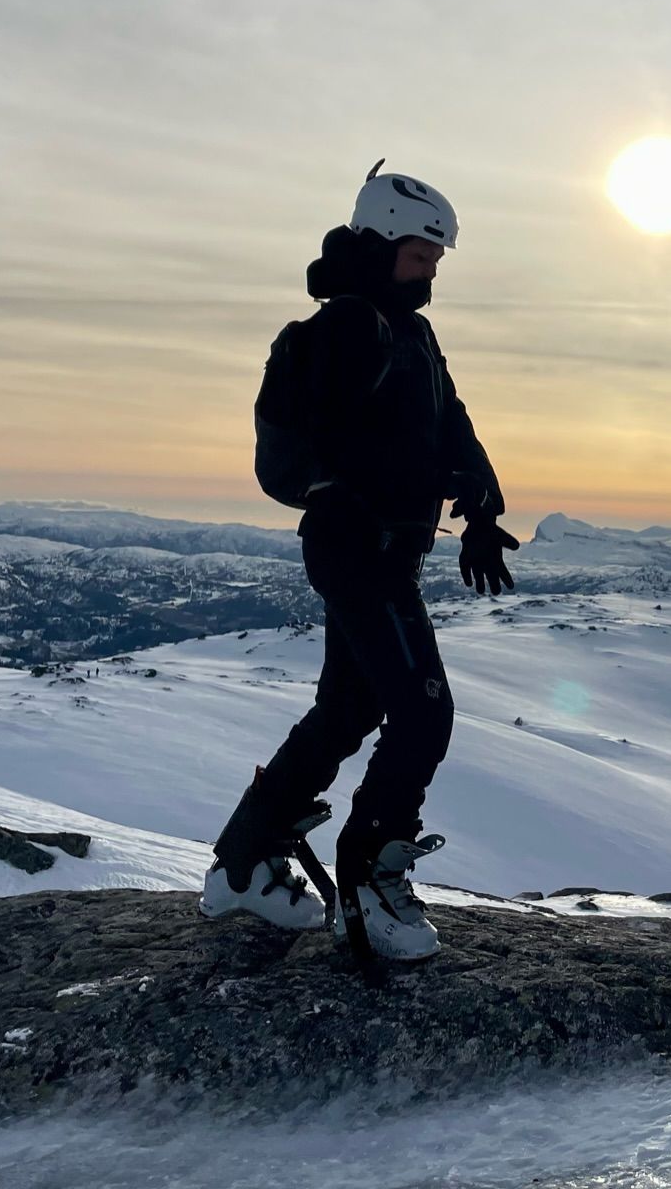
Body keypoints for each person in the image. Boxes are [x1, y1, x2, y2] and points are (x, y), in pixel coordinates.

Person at [199, 166, 519, 962]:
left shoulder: (408, 331)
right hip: (355, 549)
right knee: (422, 711)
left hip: (388, 550)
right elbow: (302, 439)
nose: (432, 270)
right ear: (378, 242)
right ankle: (372, 876)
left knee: (348, 711)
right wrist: (331, 491)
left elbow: (449, 422)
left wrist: (482, 507)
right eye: (421, 255)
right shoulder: (347, 326)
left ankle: (244, 862)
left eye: (437, 259)